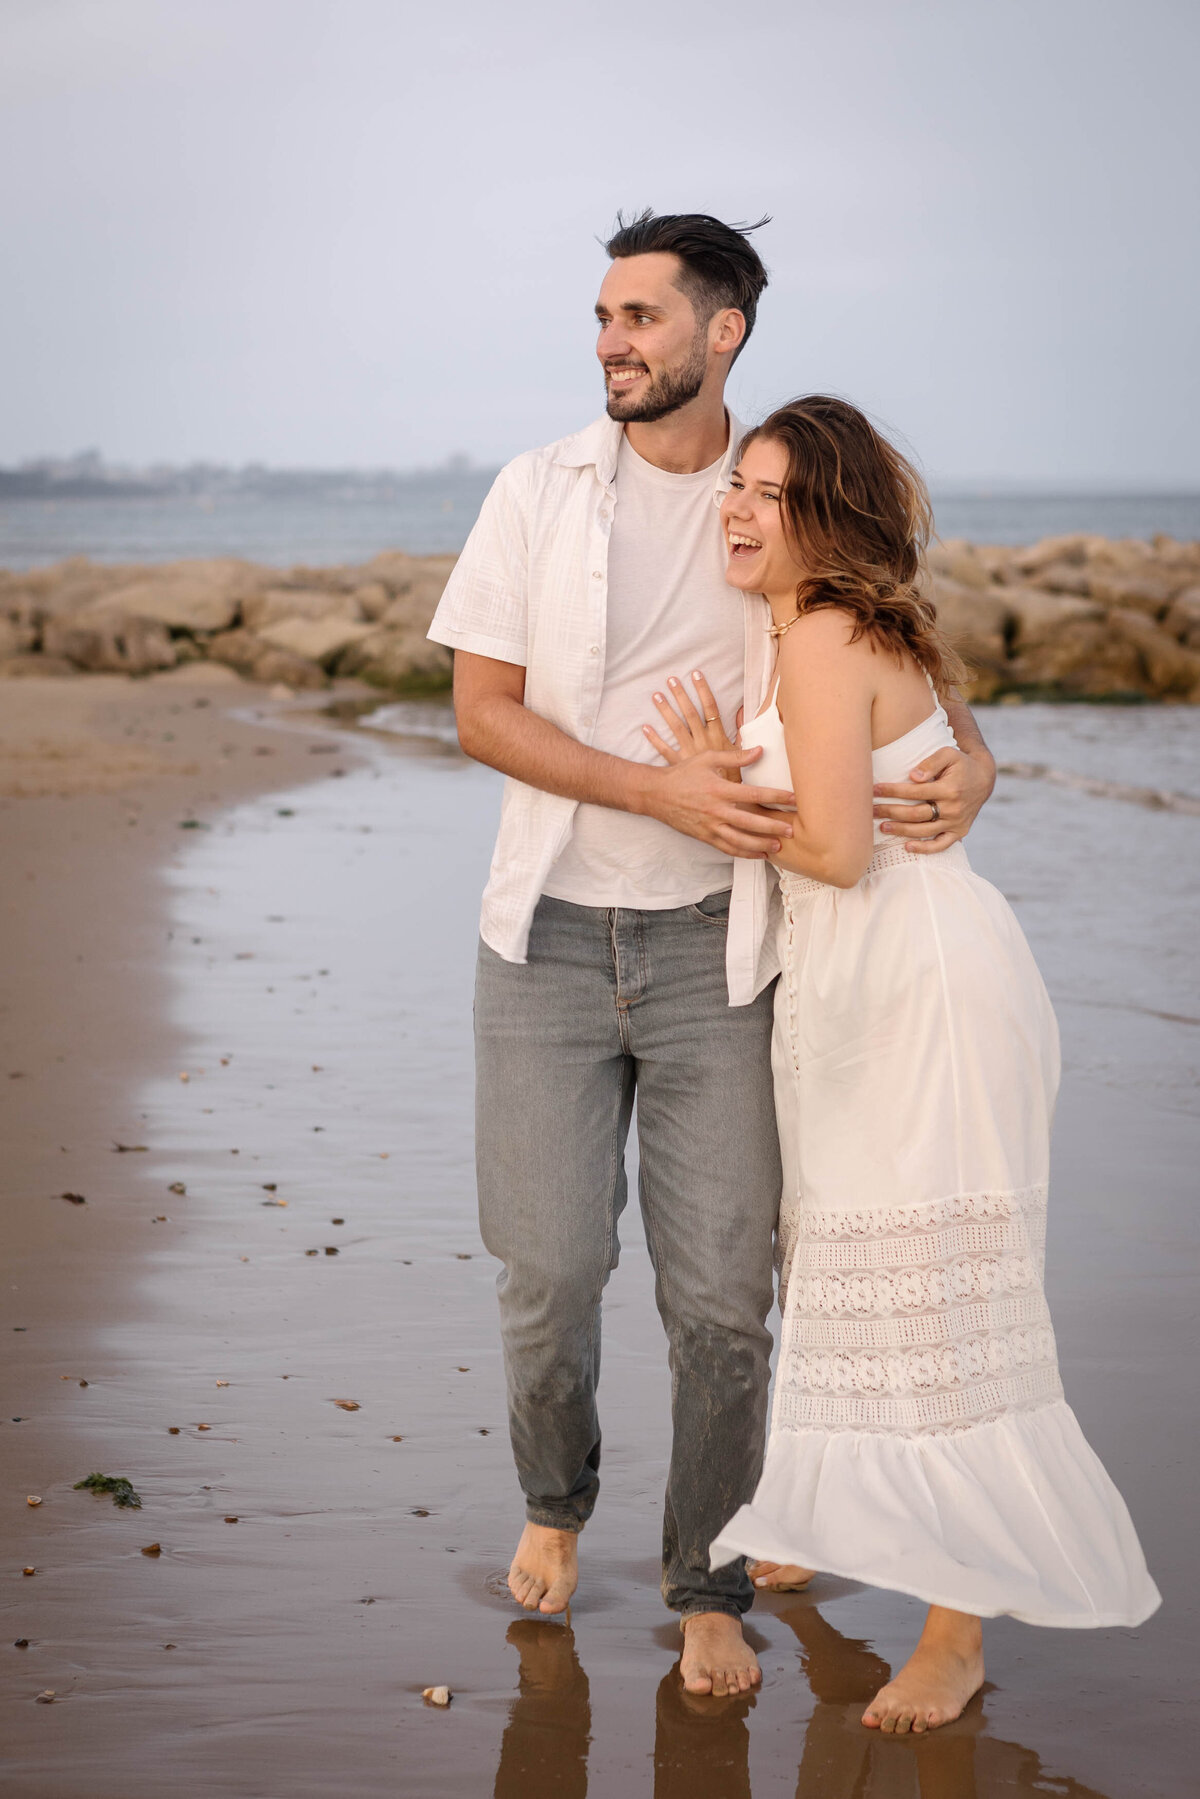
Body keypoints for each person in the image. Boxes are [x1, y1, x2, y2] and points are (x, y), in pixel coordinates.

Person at [428, 214, 997, 1698]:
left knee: (724, 1305)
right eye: (603, 317)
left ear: (719, 332)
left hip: (722, 954)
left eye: (639, 318)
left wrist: (975, 756)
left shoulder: (778, 497)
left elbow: (883, 638)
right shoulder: (535, 494)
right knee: (548, 1271)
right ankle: (556, 1504)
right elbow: (482, 714)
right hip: (545, 938)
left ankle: (706, 1579)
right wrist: (658, 789)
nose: (611, 342)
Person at [643, 394, 1159, 1730]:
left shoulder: (818, 635)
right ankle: (822, 1511)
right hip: (872, 982)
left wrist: (714, 789)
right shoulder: (829, 627)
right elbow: (894, 779)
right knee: (842, 1257)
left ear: (829, 516)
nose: (739, 509)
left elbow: (834, 851)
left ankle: (956, 1629)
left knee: (929, 1293)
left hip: (911, 988)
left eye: (769, 491)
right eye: (737, 484)